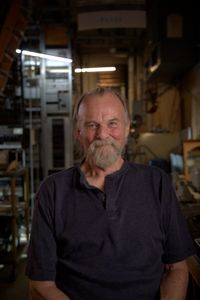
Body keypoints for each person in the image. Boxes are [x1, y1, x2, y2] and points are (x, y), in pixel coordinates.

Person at [26, 87, 195, 300]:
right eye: (91, 125)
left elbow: (176, 269)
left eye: (112, 123)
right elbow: (41, 285)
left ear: (126, 129)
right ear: (77, 132)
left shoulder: (157, 182)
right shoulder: (53, 191)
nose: (102, 134)